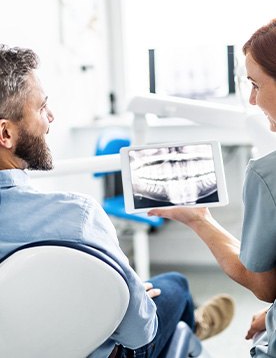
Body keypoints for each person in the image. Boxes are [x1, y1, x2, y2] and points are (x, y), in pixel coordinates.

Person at [0, 44, 234, 358]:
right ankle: (193, 324)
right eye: (42, 108)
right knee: (173, 286)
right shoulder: (78, 218)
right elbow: (139, 332)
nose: (51, 117)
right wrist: (136, 299)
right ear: (6, 134)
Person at [148, 18, 276, 358]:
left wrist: (198, 219)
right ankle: (198, 323)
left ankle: (195, 324)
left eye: (256, 85)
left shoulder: (267, 174)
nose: (251, 100)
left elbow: (264, 284)